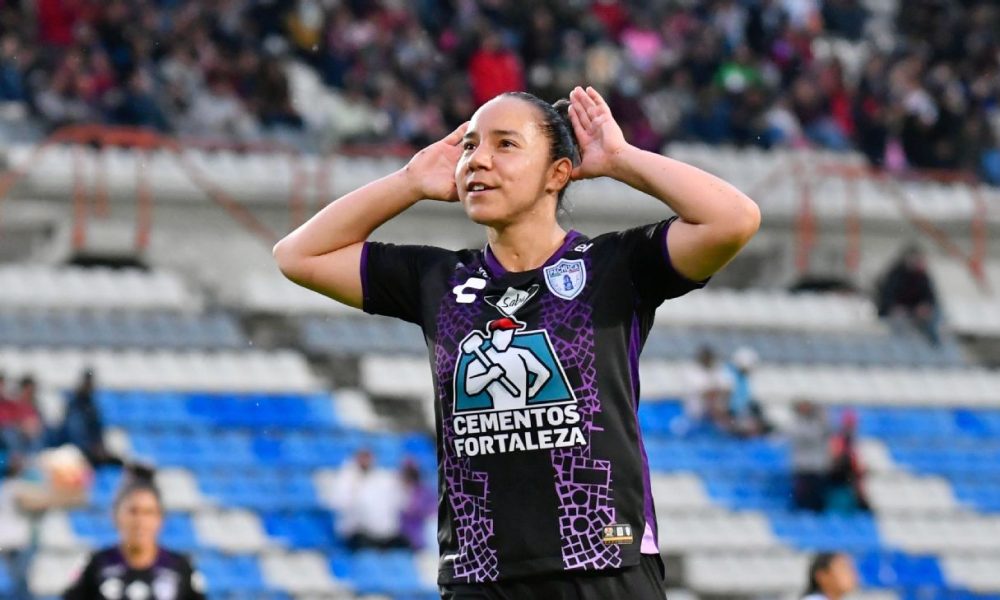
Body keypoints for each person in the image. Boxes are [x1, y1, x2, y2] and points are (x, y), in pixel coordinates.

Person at [274, 85, 760, 597]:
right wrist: (409, 181)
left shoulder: (614, 267)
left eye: (505, 144)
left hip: (604, 566)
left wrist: (622, 159)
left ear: (557, 174)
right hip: (480, 576)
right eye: (469, 146)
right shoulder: (437, 279)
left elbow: (735, 219)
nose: (478, 160)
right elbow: (298, 256)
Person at [63, 463, 205, 599]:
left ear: (160, 519)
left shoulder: (180, 567)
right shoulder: (95, 565)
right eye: (133, 511)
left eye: (148, 512)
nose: (140, 521)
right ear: (116, 516)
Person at [330, 448, 408, 550]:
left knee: (402, 544)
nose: (365, 461)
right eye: (363, 457)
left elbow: (398, 500)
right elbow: (338, 504)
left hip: (382, 533)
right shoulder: (345, 478)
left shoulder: (382, 478)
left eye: (368, 457)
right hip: (356, 531)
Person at [876, 245, 940, 344]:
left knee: (935, 316)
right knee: (899, 322)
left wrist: (924, 306)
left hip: (914, 312)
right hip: (896, 314)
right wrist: (894, 308)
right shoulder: (895, 275)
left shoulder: (922, 276)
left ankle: (934, 343)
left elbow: (930, 297)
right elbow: (886, 297)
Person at [788, 399, 832, 512]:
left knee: (817, 501)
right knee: (802, 499)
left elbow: (828, 431)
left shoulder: (819, 422)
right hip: (802, 468)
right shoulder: (795, 423)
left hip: (817, 468)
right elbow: (808, 436)